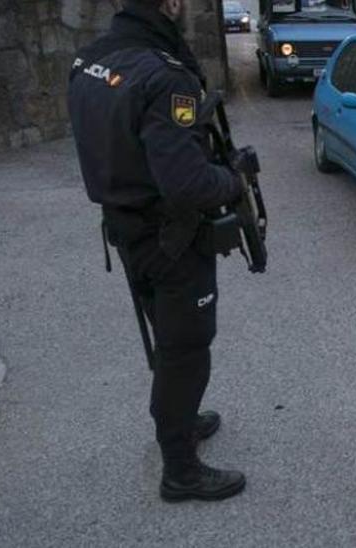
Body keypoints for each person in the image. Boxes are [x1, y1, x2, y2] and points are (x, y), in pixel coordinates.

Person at [67, 0, 247, 502]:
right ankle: (181, 470)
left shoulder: (91, 61)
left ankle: (180, 421)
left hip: (127, 230)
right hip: (171, 240)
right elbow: (188, 184)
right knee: (186, 352)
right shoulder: (165, 78)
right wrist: (232, 181)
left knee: (169, 342)